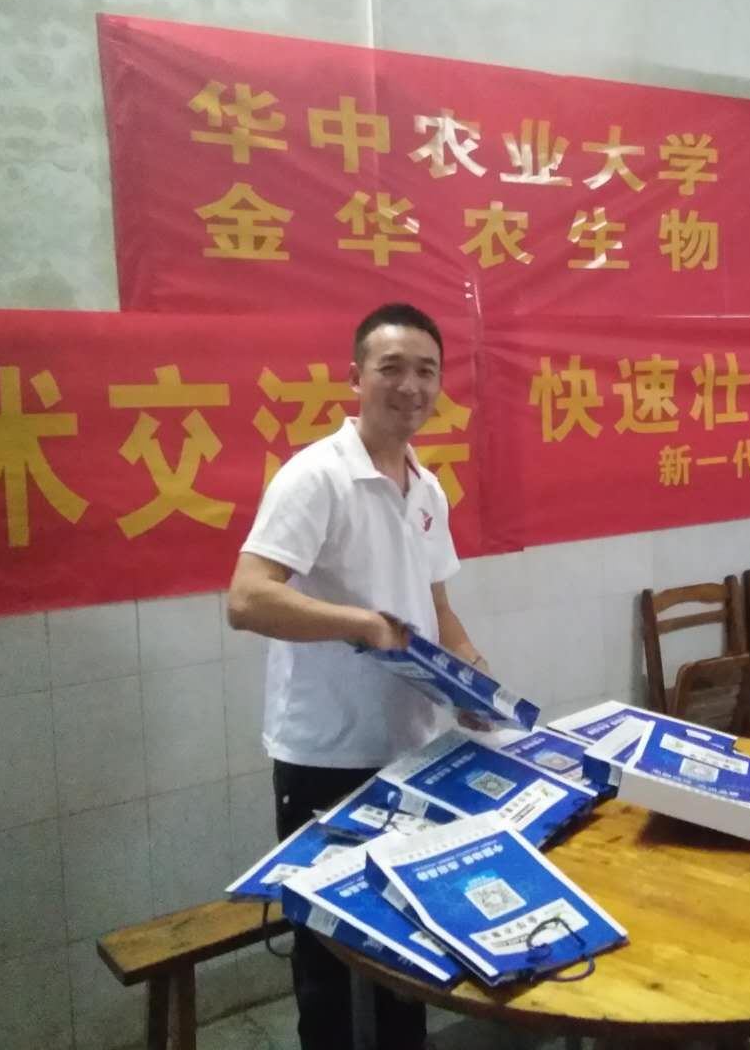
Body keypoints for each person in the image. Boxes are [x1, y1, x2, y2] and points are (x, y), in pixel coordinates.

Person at [227, 302, 486, 1050]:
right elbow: (247, 599)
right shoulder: (316, 478)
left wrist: (473, 677)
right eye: (391, 368)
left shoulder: (426, 487)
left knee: (410, 947)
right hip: (327, 757)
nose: (410, 386)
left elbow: (437, 607)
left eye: (426, 371)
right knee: (330, 962)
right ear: (355, 377)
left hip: (412, 751)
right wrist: (363, 624)